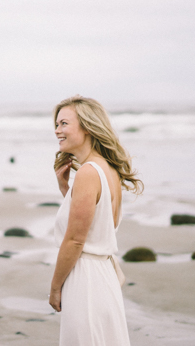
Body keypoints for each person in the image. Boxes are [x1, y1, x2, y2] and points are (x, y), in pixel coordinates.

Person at [49, 95, 143, 345]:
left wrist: (55, 287)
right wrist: (66, 190)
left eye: (64, 124)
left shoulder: (89, 173)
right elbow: (97, 225)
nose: (57, 131)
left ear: (87, 126)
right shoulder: (107, 169)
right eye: (56, 125)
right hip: (104, 277)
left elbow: (75, 240)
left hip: (86, 281)